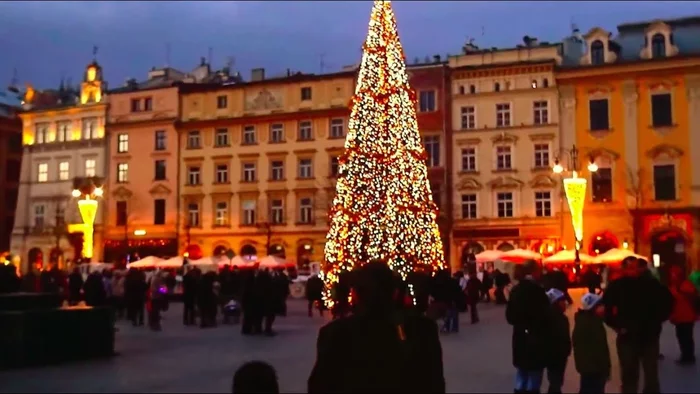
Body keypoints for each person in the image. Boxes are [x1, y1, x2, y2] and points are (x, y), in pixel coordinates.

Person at [308, 260, 445, 393]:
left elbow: (319, 386)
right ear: (395, 292)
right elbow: (435, 384)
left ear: (355, 294)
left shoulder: (336, 333)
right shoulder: (423, 330)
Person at [603, 257, 673, 393]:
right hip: (627, 336)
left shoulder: (652, 285)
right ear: (623, 269)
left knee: (651, 374)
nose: (633, 270)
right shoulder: (617, 286)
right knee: (629, 373)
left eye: (635, 267)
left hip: (649, 336)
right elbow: (606, 309)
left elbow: (668, 303)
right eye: (629, 267)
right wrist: (616, 325)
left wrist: (658, 321)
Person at [506, 259, 550, 394]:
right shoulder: (537, 291)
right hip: (535, 339)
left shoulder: (516, 290)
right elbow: (545, 316)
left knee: (522, 373)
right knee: (534, 376)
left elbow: (510, 317)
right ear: (534, 272)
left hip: (520, 338)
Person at [573, 293, 611, 394]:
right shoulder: (593, 324)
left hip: (587, 367)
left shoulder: (584, 321)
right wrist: (605, 368)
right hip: (594, 369)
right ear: (593, 308)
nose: (603, 308)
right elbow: (600, 349)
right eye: (600, 305)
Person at [668, 265, 698, 365]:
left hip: (687, 316)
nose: (672, 276)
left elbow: (693, 298)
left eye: (674, 274)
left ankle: (688, 356)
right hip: (680, 316)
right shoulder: (674, 286)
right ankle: (686, 355)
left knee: (686, 337)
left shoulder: (685, 285)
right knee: (682, 336)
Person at [545, 289, 571, 394]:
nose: (565, 304)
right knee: (556, 380)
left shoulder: (552, 316)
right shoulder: (558, 318)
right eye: (562, 302)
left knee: (555, 380)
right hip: (557, 354)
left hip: (555, 354)